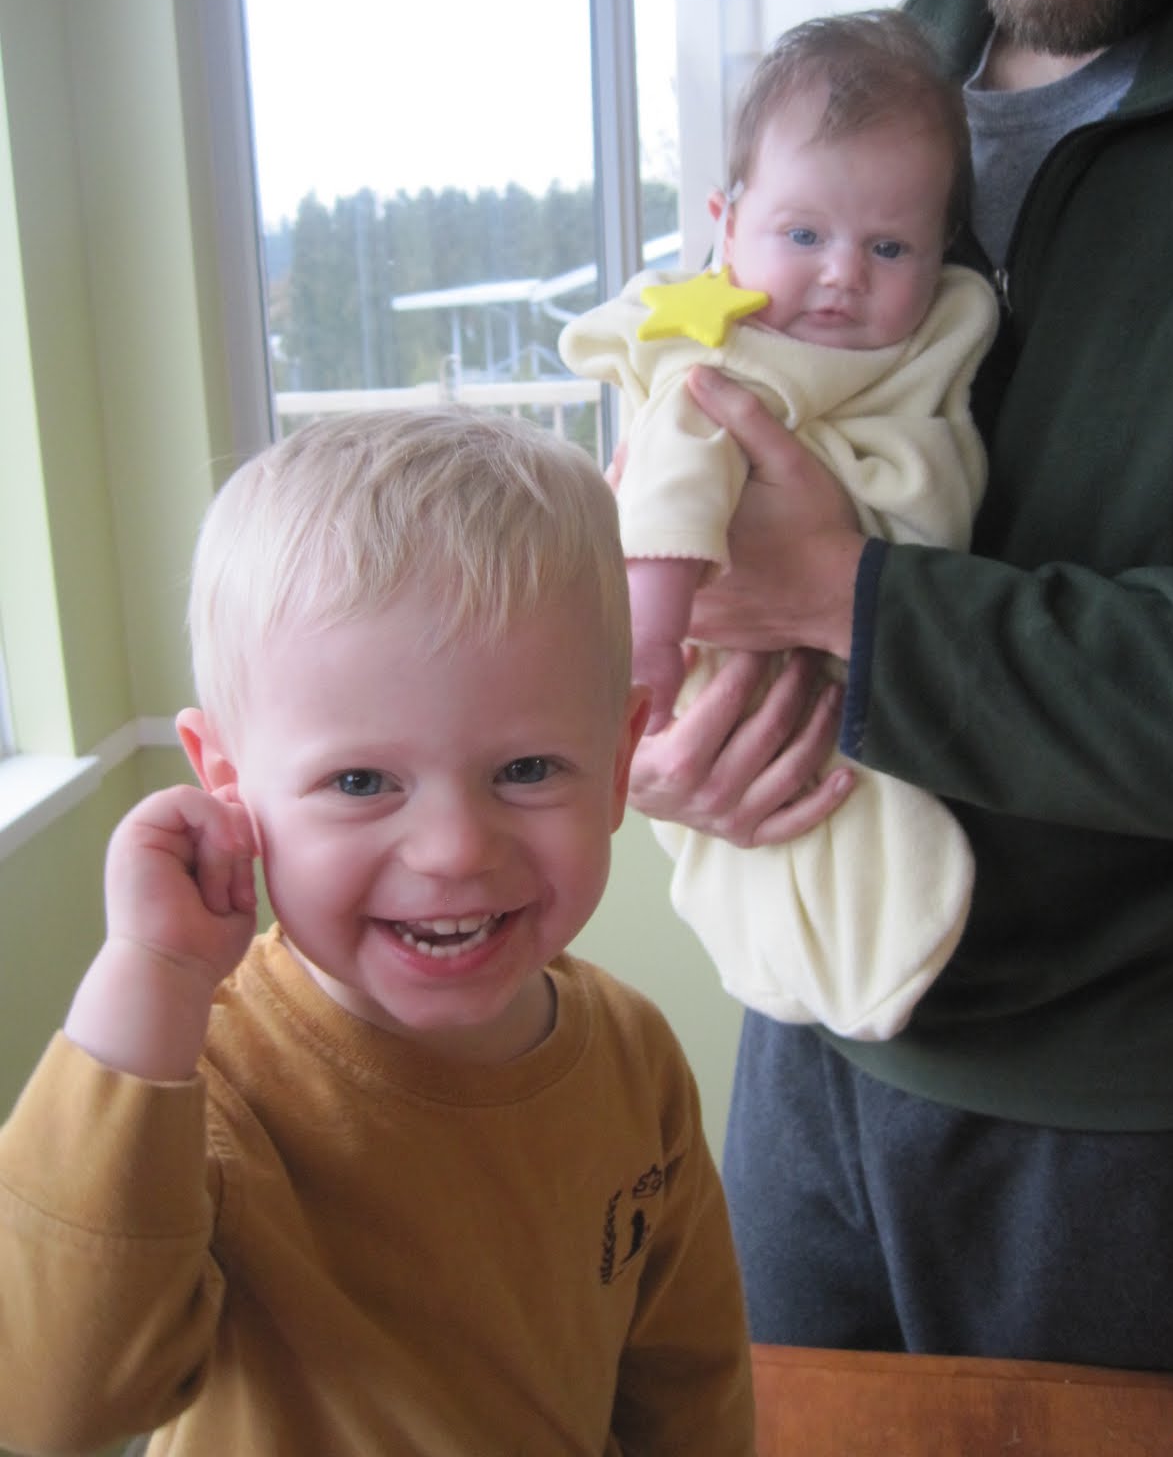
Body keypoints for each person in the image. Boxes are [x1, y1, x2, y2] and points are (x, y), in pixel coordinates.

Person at [626, 0, 1173, 1373]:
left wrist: (855, 604)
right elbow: (691, 429)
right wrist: (659, 735)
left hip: (1118, 1104)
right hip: (802, 1011)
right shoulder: (884, 66)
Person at [0, 409, 756, 1456]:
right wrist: (150, 977)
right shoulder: (200, 1084)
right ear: (228, 784)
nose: (453, 849)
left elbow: (689, 1380)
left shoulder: (635, 1057)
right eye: (360, 781)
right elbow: (47, 1402)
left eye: (526, 769)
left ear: (619, 762)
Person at [560, 10, 998, 1038]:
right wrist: (650, 638)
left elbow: (939, 462)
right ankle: (801, 953)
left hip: (873, 656)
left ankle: (860, 949)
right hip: (701, 646)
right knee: (761, 795)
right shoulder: (721, 349)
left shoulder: (936, 337)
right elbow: (672, 467)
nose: (842, 274)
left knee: (845, 800)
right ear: (727, 225)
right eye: (804, 235)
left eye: (889, 246)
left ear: (940, 250)